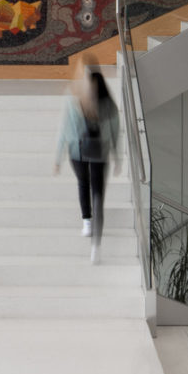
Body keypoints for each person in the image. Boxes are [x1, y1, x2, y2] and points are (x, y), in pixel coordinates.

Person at [55, 59, 121, 261]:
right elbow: (65, 127)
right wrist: (116, 155)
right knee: (92, 190)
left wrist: (58, 157)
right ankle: (91, 232)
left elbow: (114, 130)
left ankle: (90, 230)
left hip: (87, 151)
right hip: (87, 152)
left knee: (90, 189)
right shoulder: (87, 98)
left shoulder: (91, 100)